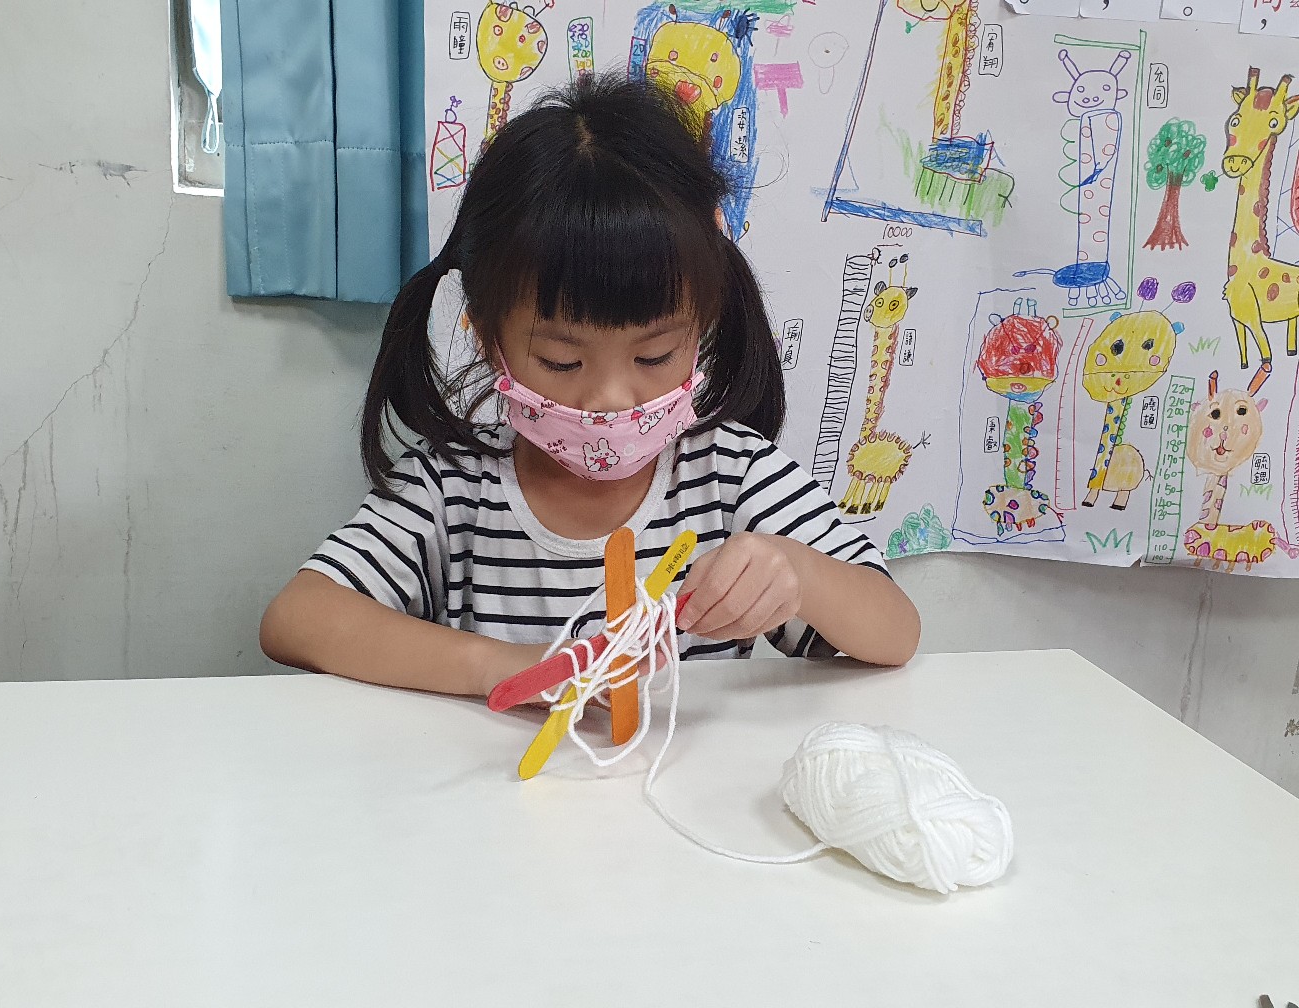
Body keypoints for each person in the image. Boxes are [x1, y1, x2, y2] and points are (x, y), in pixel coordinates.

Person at [260, 74, 920, 700]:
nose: (611, 398)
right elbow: (297, 618)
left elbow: (896, 633)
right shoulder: (455, 488)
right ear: (489, 338)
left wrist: (797, 574)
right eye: (561, 362)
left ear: (702, 326)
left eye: (655, 355)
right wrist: (506, 669)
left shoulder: (729, 477)